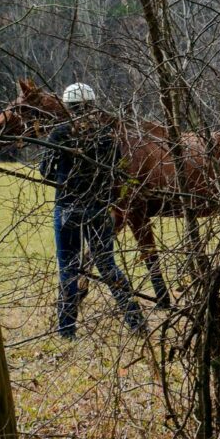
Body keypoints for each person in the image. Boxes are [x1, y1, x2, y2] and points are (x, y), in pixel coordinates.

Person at [39, 82, 145, 337]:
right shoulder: (107, 136)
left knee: (68, 267)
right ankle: (136, 322)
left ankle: (67, 330)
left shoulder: (60, 134)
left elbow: (45, 171)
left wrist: (64, 178)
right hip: (99, 209)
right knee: (108, 266)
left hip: (67, 208)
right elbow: (117, 171)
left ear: (68, 106)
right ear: (93, 106)